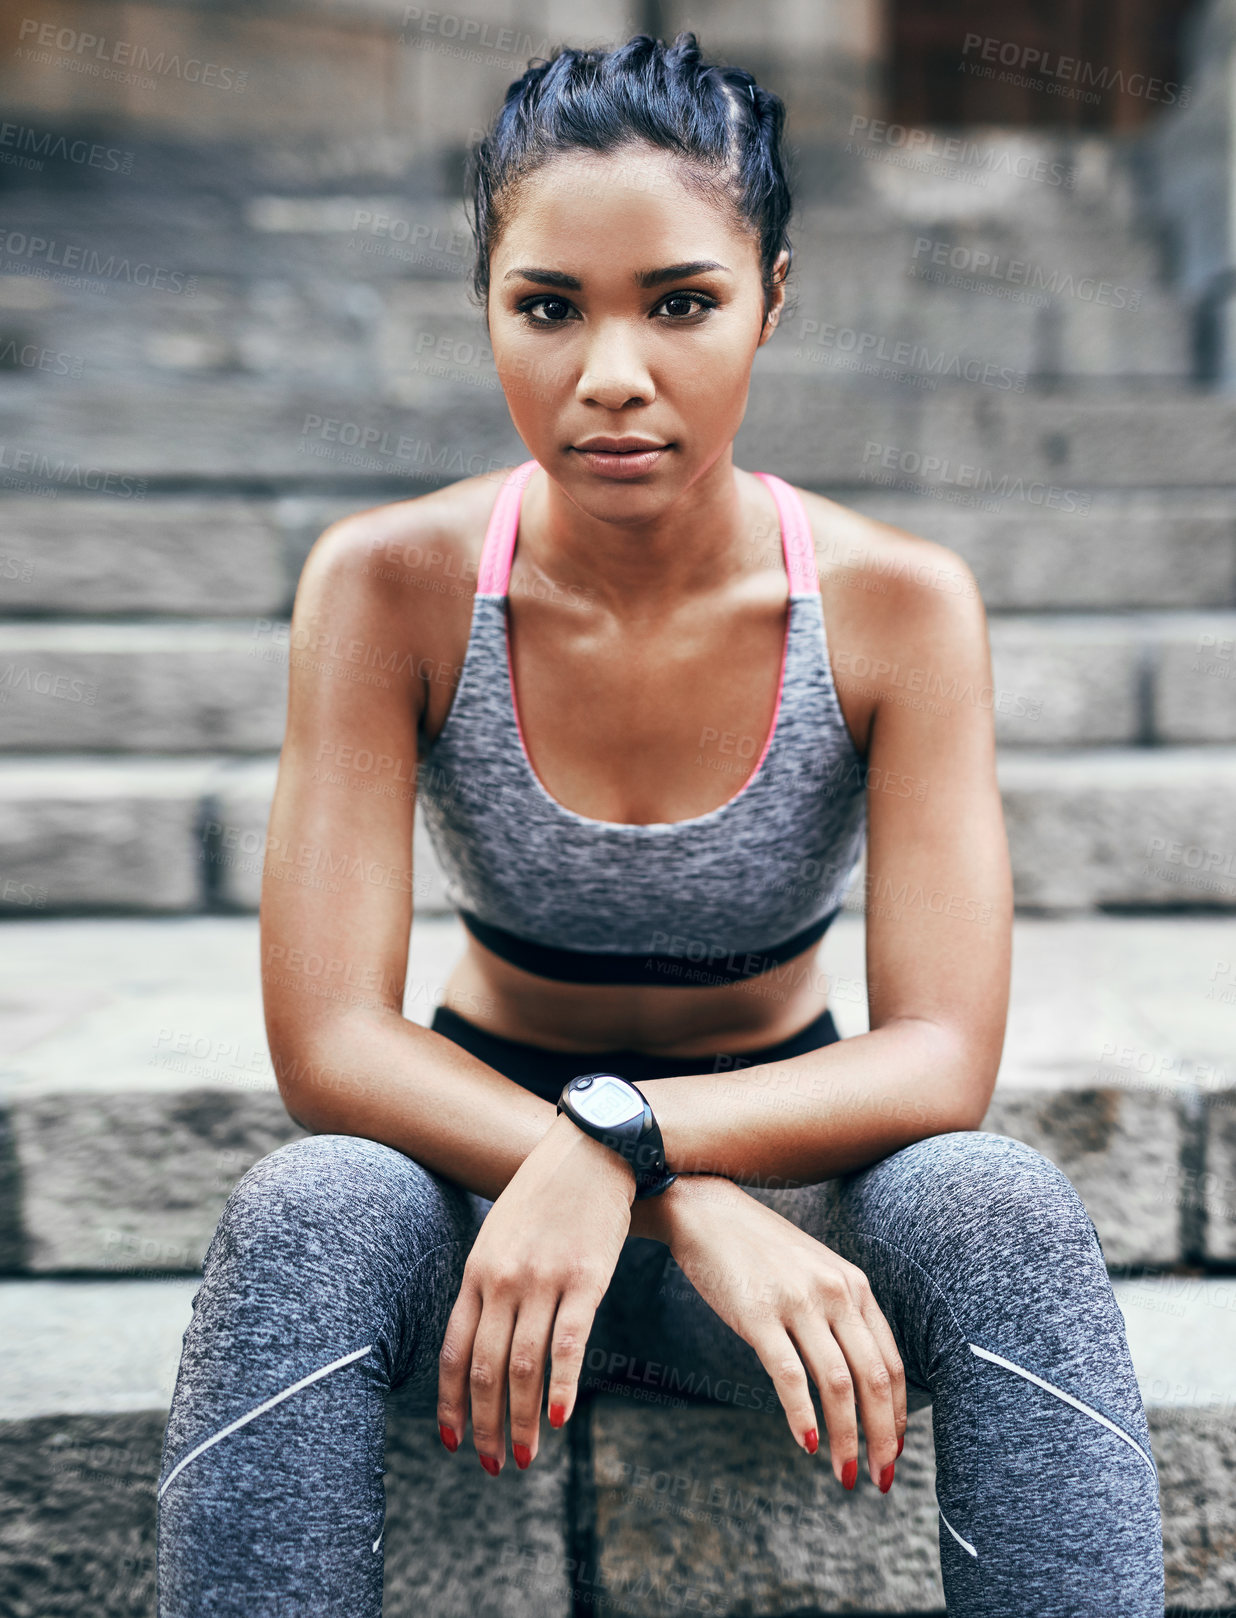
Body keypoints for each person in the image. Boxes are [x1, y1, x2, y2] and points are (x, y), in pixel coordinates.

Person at [156, 31, 1164, 1617]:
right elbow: (330, 1041)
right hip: (484, 1203)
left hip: (792, 1211)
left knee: (999, 1201)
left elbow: (940, 1057)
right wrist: (616, 1165)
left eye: (680, 303)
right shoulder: (390, 585)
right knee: (306, 1205)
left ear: (773, 293)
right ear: (487, 303)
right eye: (548, 306)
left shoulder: (897, 608)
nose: (610, 372)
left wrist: (644, 1148)